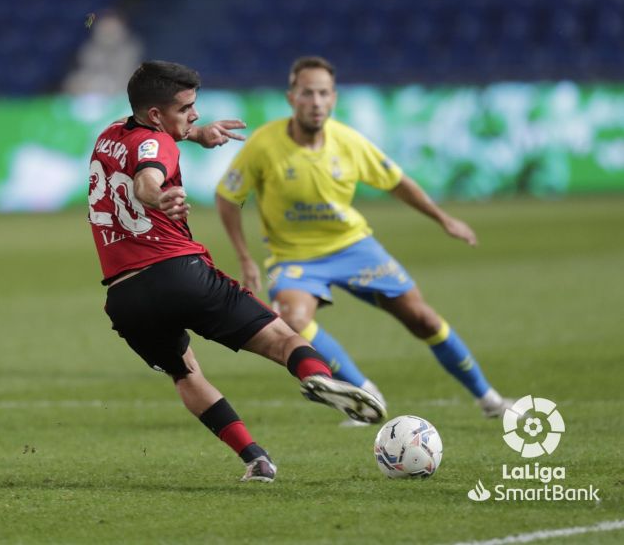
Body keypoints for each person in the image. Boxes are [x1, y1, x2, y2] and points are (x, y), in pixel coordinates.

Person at [88, 60, 385, 483]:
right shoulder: (160, 146)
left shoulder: (108, 137)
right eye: (187, 108)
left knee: (186, 373)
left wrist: (196, 133)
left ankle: (255, 458)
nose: (195, 114)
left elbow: (144, 142)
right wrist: (159, 198)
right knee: (284, 337)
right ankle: (319, 378)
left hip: (124, 299)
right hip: (177, 275)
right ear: (156, 115)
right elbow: (145, 180)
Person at [215, 56, 513, 421]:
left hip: (354, 248)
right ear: (292, 98)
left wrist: (443, 219)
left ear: (334, 98)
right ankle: (363, 393)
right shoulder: (264, 145)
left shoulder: (348, 142)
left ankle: (490, 400)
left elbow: (397, 182)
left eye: (324, 93)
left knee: (423, 319)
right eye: (307, 93)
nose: (316, 101)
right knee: (292, 318)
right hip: (295, 258)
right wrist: (245, 257)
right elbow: (228, 197)